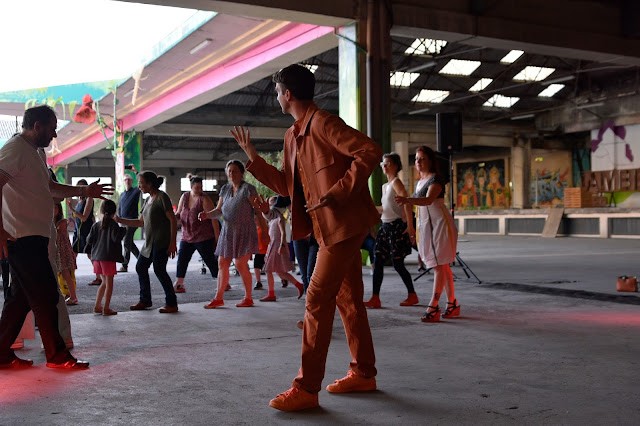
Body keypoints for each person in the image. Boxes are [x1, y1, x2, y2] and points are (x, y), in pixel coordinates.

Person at [231, 64, 382, 411]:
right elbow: (287, 185)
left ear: (288, 94)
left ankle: (306, 387)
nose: (277, 97)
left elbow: (369, 151)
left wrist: (341, 190)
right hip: (327, 227)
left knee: (315, 299)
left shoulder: (326, 124)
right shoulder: (291, 136)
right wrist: (252, 156)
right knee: (348, 302)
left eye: (277, 91)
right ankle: (364, 372)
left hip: (344, 224)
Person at [0, 105, 112, 369]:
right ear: (37, 126)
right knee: (47, 295)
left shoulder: (35, 153)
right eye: (52, 128)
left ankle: (1, 352)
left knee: (21, 298)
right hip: (21, 236)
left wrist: (84, 192)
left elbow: (50, 188)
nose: (55, 134)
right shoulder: (15, 150)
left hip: (34, 235)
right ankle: (57, 355)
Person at [396, 146, 460, 323]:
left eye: (422, 158)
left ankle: (434, 305)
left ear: (431, 161)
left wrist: (407, 200)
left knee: (439, 265)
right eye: (416, 158)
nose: (418, 162)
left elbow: (428, 200)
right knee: (442, 265)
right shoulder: (420, 182)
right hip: (427, 225)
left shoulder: (436, 180)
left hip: (439, 225)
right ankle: (452, 303)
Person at [115, 171, 178, 314]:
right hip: (149, 243)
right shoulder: (147, 200)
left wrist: (173, 242)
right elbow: (140, 222)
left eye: (141, 183)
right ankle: (145, 300)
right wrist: (120, 220)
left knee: (159, 270)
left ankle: (172, 303)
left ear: (149, 184)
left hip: (161, 241)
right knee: (140, 267)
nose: (139, 186)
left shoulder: (162, 197)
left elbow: (172, 220)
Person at [199, 160, 259, 309]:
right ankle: (218, 298)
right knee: (222, 263)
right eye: (229, 171)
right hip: (228, 231)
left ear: (241, 173)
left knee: (240, 264)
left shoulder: (248, 189)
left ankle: (248, 298)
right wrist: (207, 215)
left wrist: (264, 231)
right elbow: (219, 210)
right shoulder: (225, 189)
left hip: (245, 231)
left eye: (235, 171)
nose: (231, 174)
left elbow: (257, 210)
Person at [364, 153, 418, 308]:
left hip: (396, 226)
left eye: (387, 163)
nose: (384, 166)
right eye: (383, 163)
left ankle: (412, 295)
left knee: (397, 263)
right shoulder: (385, 186)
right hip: (385, 226)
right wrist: (370, 209)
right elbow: (385, 208)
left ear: (395, 166)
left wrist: (410, 226)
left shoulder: (396, 183)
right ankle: (375, 298)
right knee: (378, 260)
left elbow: (406, 202)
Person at [173, 174, 220, 293]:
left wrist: (217, 237)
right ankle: (179, 283)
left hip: (203, 236)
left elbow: (214, 218)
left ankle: (222, 281)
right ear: (191, 187)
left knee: (209, 260)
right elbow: (179, 213)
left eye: (201, 187)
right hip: (186, 235)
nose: (200, 190)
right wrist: (174, 217)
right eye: (197, 187)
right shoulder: (184, 197)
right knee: (182, 259)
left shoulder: (204, 199)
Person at [253, 195, 304, 302]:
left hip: (277, 245)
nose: (271, 207)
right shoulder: (271, 219)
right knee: (279, 271)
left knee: (268, 269)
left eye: (272, 204)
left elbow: (283, 232)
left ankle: (271, 293)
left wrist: (282, 244)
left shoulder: (278, 217)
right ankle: (299, 285)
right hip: (273, 244)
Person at [86, 199, 126, 316]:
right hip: (107, 258)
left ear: (101, 211)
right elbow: (115, 238)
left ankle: (97, 306)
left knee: (104, 282)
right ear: (114, 212)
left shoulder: (96, 225)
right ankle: (106, 308)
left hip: (96, 258)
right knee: (109, 284)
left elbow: (89, 240)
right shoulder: (113, 225)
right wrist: (123, 231)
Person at [67, 179, 101, 286]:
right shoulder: (80, 200)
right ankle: (69, 276)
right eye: (79, 188)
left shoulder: (89, 199)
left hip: (86, 231)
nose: (81, 190)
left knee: (90, 254)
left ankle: (98, 277)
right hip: (78, 230)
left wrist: (72, 210)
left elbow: (84, 217)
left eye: (83, 187)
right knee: (73, 253)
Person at [54, 202, 78, 305]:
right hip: (56, 250)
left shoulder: (62, 221)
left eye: (55, 208)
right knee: (59, 274)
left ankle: (73, 296)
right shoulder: (52, 221)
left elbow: (58, 234)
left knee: (66, 274)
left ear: (59, 209)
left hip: (63, 252)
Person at [118, 169, 141, 272]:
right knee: (129, 243)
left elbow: (141, 181)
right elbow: (120, 208)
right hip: (123, 222)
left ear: (132, 182)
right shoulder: (122, 195)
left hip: (132, 222)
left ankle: (124, 266)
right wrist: (118, 219)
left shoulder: (135, 191)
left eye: (129, 179)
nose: (127, 181)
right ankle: (141, 259)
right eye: (125, 180)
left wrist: (135, 172)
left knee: (127, 243)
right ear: (123, 182)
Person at [253, 211, 269, 290]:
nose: (255, 221)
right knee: (256, 266)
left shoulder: (266, 229)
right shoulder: (255, 229)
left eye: (257, 219)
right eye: (254, 219)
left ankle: (283, 278)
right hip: (258, 251)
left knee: (269, 268)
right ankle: (258, 281)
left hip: (266, 251)